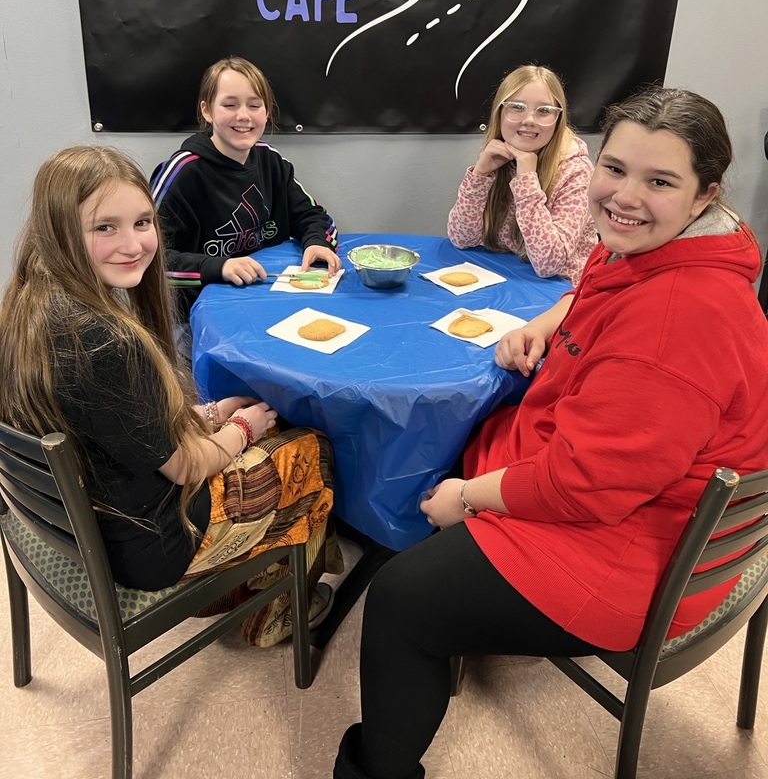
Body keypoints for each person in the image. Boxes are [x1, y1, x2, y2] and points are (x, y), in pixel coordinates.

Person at [334, 86, 768, 779]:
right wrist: (551, 318)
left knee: (401, 600)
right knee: (466, 434)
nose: (625, 196)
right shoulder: (663, 246)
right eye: (616, 169)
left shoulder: (678, 321)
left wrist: (468, 499)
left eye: (659, 181)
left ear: (703, 194)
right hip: (637, 491)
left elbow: (586, 483)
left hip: (634, 547)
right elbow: (594, 284)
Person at [0, 146, 339, 647]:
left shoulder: (26, 309)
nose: (134, 244)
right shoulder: (102, 342)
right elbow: (184, 468)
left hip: (75, 520)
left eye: (142, 222)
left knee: (252, 426)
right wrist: (243, 430)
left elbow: (124, 427)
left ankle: (250, 578)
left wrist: (209, 413)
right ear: (60, 231)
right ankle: (279, 609)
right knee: (312, 448)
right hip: (148, 543)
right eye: (104, 228)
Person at [150, 56, 341, 313]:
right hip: (196, 316)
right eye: (229, 104)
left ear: (266, 112)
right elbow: (150, 259)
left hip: (267, 299)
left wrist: (317, 242)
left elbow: (312, 215)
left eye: (254, 105)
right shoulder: (181, 173)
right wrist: (220, 266)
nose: (243, 116)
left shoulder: (271, 161)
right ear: (207, 110)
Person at [447, 64, 597, 285]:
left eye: (544, 111)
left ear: (558, 119)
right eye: (517, 107)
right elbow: (462, 238)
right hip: (508, 278)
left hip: (561, 292)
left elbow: (549, 264)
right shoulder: (499, 156)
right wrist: (479, 176)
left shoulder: (577, 172)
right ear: (500, 112)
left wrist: (526, 181)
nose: (529, 120)